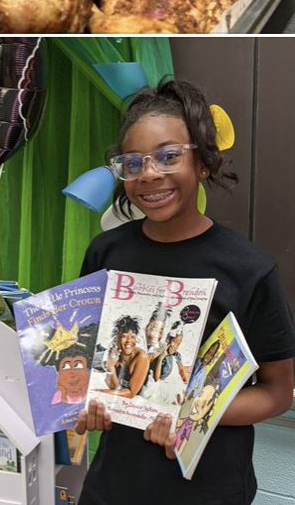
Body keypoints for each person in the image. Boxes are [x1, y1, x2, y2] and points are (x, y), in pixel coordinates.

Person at [74, 80, 295, 505]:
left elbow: (277, 393)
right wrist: (87, 402)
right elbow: (91, 358)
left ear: (203, 164)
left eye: (168, 156)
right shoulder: (106, 252)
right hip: (114, 486)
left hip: (208, 490)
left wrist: (190, 417)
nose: (149, 174)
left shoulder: (249, 269)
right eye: (133, 163)